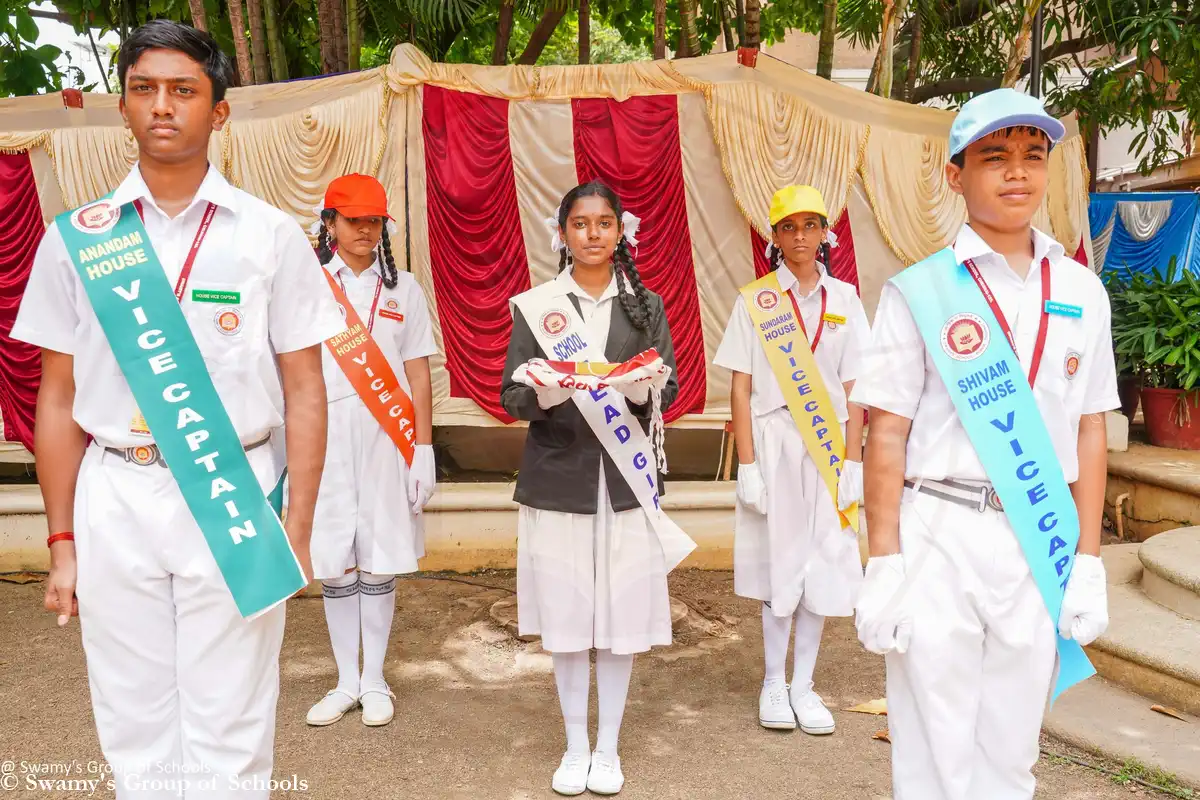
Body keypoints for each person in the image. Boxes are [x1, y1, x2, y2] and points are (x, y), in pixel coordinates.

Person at [12, 20, 344, 798]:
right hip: (115, 493)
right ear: (124, 107)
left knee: (230, 719)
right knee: (132, 717)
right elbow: (54, 400)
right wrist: (62, 541)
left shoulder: (268, 235)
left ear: (218, 112)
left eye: (184, 90)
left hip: (234, 490)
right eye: (144, 89)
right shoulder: (77, 240)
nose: (163, 106)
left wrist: (295, 529)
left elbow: (304, 389)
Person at [851, 88, 1118, 800]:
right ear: (955, 174)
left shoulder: (1083, 290)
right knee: (933, 747)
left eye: (1034, 157)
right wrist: (884, 563)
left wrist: (1087, 561)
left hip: (1037, 536)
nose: (1017, 174)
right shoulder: (922, 291)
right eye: (995, 157)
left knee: (1011, 750)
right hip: (938, 529)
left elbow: (1091, 425)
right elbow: (888, 433)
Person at [500, 180, 695, 796]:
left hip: (625, 485)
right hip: (558, 482)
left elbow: (670, 385)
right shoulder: (537, 307)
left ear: (620, 232)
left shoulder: (647, 307)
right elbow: (511, 395)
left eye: (603, 223)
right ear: (563, 235)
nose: (592, 234)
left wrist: (645, 388)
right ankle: (574, 744)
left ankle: (608, 746)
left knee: (622, 620)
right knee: (566, 621)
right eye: (580, 224)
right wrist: (546, 392)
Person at [714, 185, 869, 734]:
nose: (800, 236)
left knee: (823, 561)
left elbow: (857, 391)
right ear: (774, 237)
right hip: (775, 439)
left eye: (810, 225)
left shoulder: (846, 300)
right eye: (788, 227)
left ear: (826, 231)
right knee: (780, 563)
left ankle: (805, 683)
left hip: (827, 449)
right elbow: (740, 386)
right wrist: (748, 465)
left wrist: (853, 463)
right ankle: (773, 683)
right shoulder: (756, 299)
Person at [304, 174, 438, 728]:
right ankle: (344, 681)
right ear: (329, 223)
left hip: (390, 438)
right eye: (352, 219)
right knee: (336, 559)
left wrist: (424, 447)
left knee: (380, 555)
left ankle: (376, 679)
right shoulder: (308, 285)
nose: (364, 229)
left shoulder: (403, 287)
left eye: (373, 220)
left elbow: (418, 370)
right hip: (326, 436)